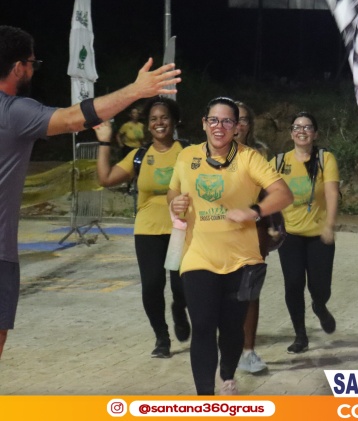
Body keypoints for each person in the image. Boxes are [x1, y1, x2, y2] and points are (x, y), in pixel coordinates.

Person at [0, 25, 181, 360]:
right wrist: (135, 90)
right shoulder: (13, 111)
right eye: (32, 64)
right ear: (18, 68)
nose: (33, 71)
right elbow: (73, 119)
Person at [168, 97, 292, 395]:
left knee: (232, 329)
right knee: (203, 326)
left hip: (242, 260)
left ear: (236, 127)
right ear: (204, 124)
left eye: (227, 121)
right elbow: (172, 190)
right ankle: (205, 398)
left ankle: (227, 372)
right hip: (198, 256)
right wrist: (175, 203)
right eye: (213, 120)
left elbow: (284, 194)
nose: (219, 126)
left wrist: (254, 211)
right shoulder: (187, 156)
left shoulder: (250, 158)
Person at [94, 97, 190, 358]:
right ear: (148, 125)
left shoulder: (188, 152)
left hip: (181, 229)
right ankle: (162, 338)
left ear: (175, 121)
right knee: (152, 286)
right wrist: (104, 142)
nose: (159, 123)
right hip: (147, 231)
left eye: (164, 117)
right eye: (154, 119)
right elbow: (105, 178)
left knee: (182, 286)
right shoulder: (139, 156)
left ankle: (179, 309)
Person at [272, 111, 340, 355]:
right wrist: (270, 225)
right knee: (293, 284)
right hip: (289, 236)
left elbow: (332, 193)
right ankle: (300, 335)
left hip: (319, 235)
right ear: (291, 133)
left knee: (320, 288)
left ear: (315, 134)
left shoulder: (325, 159)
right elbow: (265, 194)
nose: (302, 131)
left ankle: (320, 307)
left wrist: (329, 225)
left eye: (307, 127)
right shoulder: (278, 162)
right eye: (297, 127)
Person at [234, 100, 270, 374]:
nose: (237, 125)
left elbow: (270, 195)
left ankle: (248, 352)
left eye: (243, 119)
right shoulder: (205, 155)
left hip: (251, 233)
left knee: (249, 293)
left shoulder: (259, 155)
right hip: (215, 234)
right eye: (232, 119)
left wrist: (268, 226)